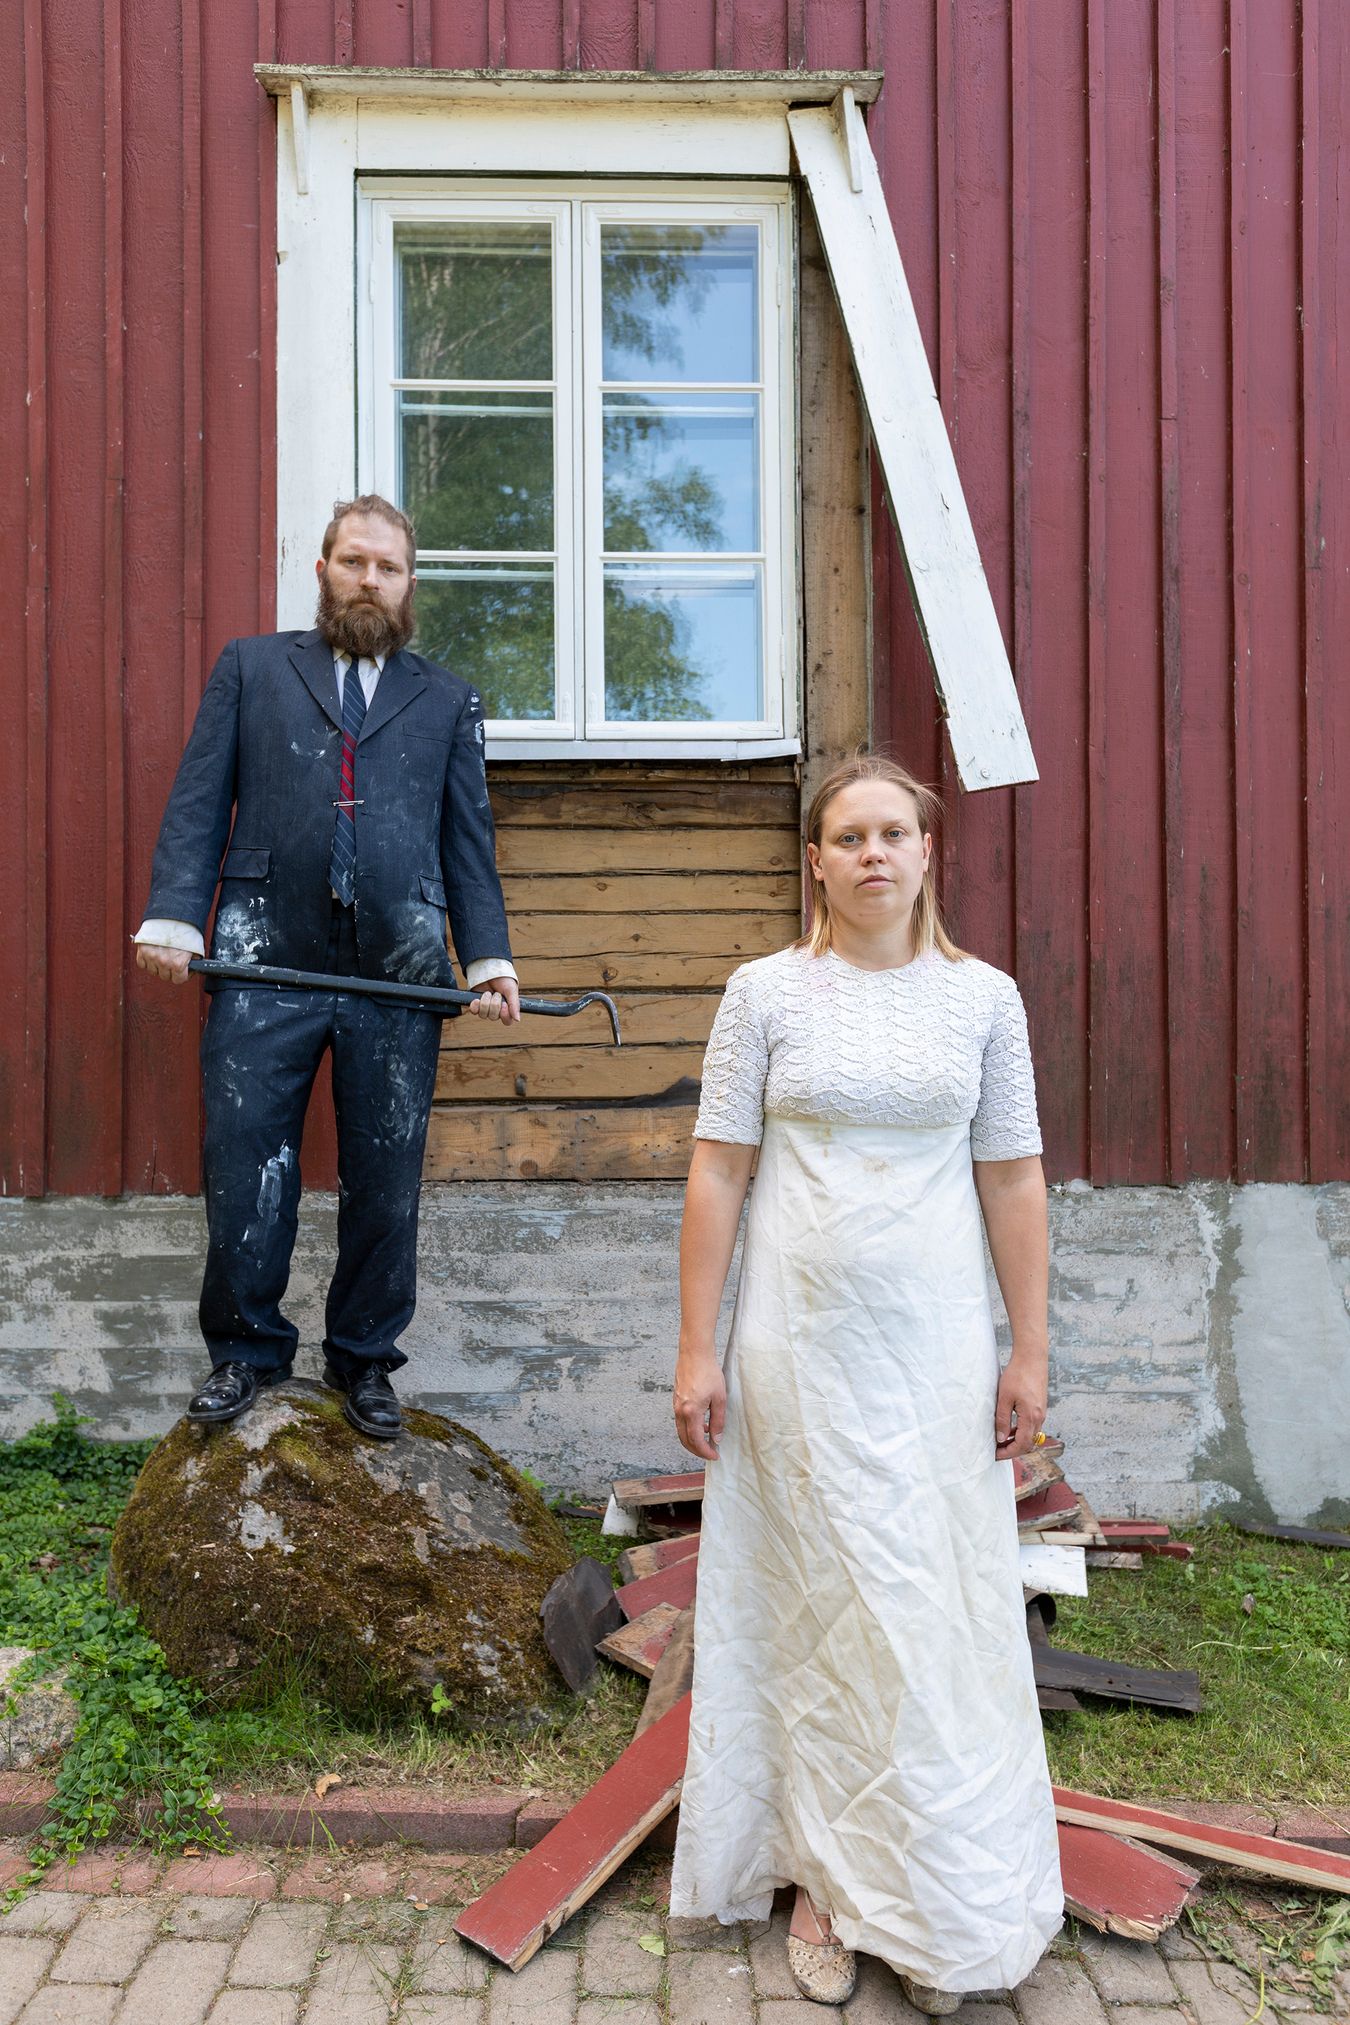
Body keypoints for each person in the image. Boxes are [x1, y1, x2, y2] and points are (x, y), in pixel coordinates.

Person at [668, 752, 1063, 2013]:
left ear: (929, 853)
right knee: (821, 1603)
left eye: (897, 832)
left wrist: (1031, 1347)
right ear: (818, 863)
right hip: (799, 1347)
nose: (875, 854)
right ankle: (825, 1885)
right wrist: (696, 1345)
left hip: (937, 1348)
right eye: (851, 837)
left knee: (930, 1606)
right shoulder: (765, 995)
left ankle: (938, 1890)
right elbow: (718, 1173)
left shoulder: (983, 1001)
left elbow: (1012, 1179)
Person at [134, 494, 520, 1440]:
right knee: (244, 1161)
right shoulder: (252, 668)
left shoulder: (447, 698)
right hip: (263, 957)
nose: (370, 580)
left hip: (400, 967)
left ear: (409, 583)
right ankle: (245, 1353)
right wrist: (176, 918)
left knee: (385, 1177)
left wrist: (489, 957)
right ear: (322, 570)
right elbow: (197, 801)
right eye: (354, 561)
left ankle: (365, 1361)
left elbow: (468, 841)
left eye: (388, 567)